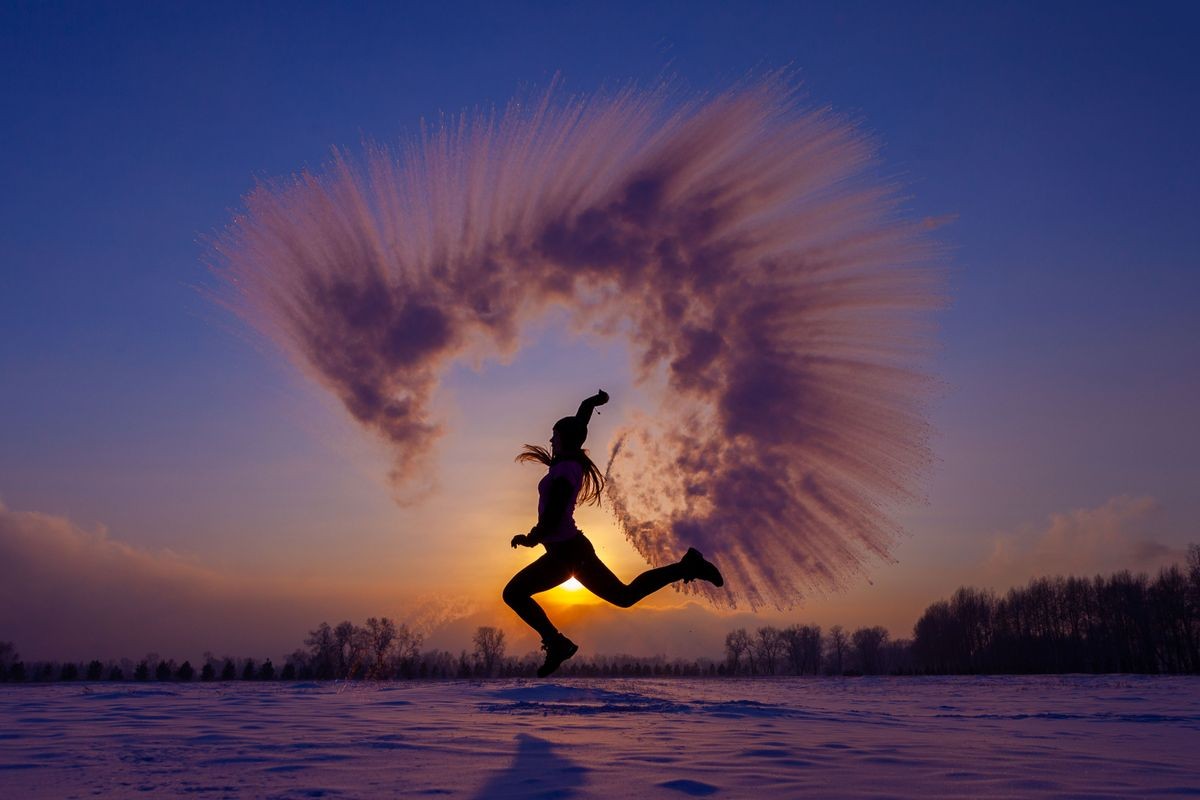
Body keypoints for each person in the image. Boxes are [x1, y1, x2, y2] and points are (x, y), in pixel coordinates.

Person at [504, 389, 725, 677]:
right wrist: (589, 404)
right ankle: (557, 643)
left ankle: (557, 643)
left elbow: (554, 515)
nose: (550, 440)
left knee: (516, 593)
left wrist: (531, 538)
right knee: (623, 596)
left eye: (554, 435)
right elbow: (581, 425)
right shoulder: (567, 463)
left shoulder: (564, 472)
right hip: (567, 553)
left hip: (570, 554)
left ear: (565, 440)